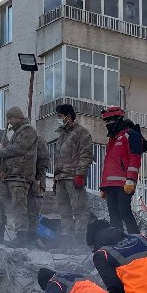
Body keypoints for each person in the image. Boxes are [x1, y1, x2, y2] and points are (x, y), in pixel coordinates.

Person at [0, 107, 39, 245]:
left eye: (11, 118)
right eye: (8, 119)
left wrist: (2, 151)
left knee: (19, 206)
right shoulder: (16, 133)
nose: (9, 122)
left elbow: (19, 148)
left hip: (21, 176)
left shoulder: (28, 131)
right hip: (10, 176)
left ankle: (21, 238)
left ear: (18, 117)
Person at [51, 103, 95, 248]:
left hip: (73, 177)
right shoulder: (62, 135)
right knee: (64, 211)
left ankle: (79, 242)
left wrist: (80, 174)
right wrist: (55, 178)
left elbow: (86, 155)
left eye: (60, 116)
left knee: (79, 210)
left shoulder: (82, 133)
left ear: (68, 117)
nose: (58, 119)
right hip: (61, 178)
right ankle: (66, 242)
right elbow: (58, 157)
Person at [100, 107, 146, 235]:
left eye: (111, 120)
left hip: (124, 184)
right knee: (114, 215)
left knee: (124, 211)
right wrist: (104, 186)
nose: (108, 124)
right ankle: (118, 241)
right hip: (110, 186)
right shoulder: (112, 140)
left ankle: (137, 239)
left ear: (118, 119)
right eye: (106, 121)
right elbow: (109, 165)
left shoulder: (131, 135)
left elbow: (135, 158)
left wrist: (131, 180)